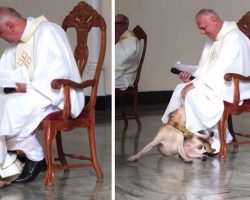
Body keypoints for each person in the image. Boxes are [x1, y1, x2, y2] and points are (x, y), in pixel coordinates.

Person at [0, 7, 84, 183]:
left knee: (6, 109)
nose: (2, 38)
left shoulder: (48, 31)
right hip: (32, 95)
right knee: (4, 106)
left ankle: (27, 160)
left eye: (1, 33)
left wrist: (29, 86)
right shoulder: (15, 43)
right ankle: (24, 160)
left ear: (10, 25)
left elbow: (59, 72)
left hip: (56, 94)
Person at [162, 9, 250, 153]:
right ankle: (182, 135)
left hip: (235, 84)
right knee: (180, 88)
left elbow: (223, 68)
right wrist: (190, 75)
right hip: (218, 81)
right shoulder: (212, 39)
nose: (202, 32)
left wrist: (195, 84)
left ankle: (216, 139)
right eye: (200, 28)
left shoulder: (233, 36)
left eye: (204, 27)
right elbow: (205, 68)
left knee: (193, 94)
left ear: (214, 20)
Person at [115, 14, 143, 90]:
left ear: (126, 25)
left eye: (119, 24)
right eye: (114, 23)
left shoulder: (132, 40)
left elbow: (124, 61)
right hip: (118, 74)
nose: (115, 26)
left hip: (124, 77)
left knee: (105, 81)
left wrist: (116, 42)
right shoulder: (120, 37)